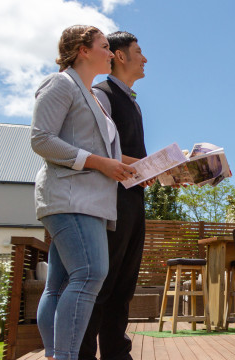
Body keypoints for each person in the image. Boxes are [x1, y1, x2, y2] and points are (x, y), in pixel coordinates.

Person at [30, 25, 137, 360]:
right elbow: (41, 139)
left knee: (59, 285)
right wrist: (98, 163)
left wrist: (151, 169)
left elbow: (108, 155)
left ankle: (54, 353)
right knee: (91, 273)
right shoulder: (60, 83)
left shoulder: (91, 96)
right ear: (82, 50)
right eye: (104, 47)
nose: (110, 53)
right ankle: (66, 355)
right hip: (70, 198)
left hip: (91, 202)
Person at [79, 31, 150, 360]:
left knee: (124, 285)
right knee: (103, 283)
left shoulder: (133, 103)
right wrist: (149, 167)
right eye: (139, 52)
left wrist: (157, 173)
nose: (145, 58)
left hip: (134, 200)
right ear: (120, 56)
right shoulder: (102, 94)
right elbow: (97, 148)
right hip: (111, 200)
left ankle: (116, 354)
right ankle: (81, 353)